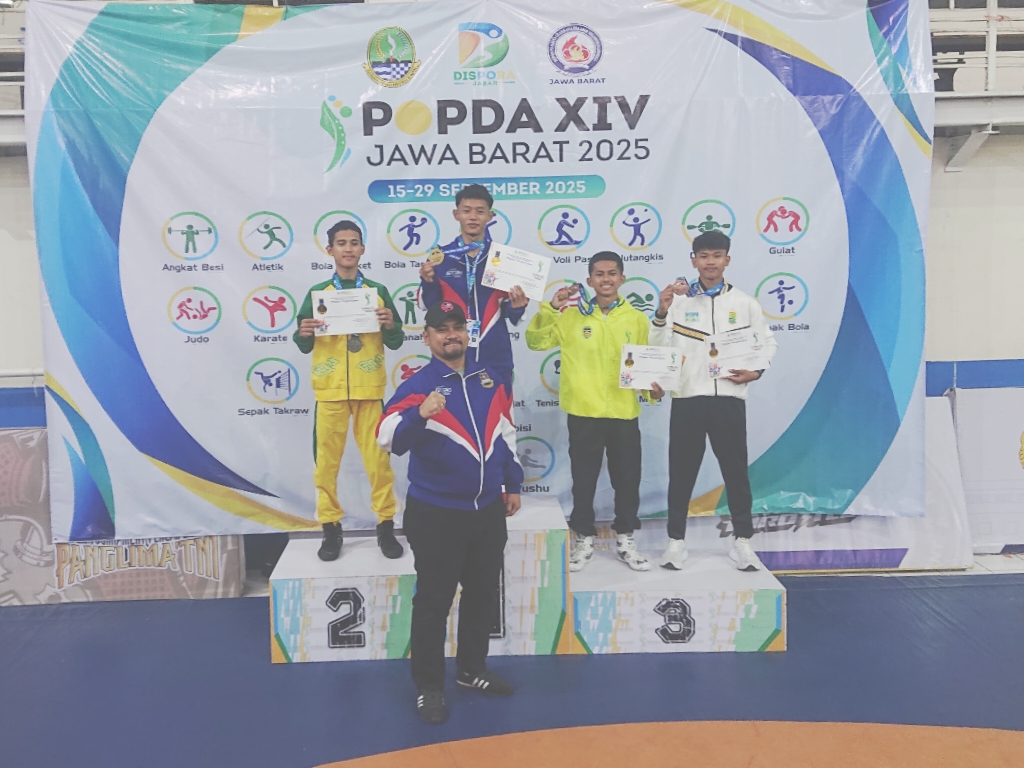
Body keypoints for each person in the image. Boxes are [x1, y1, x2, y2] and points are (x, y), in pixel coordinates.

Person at [377, 301, 522, 725]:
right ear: (427, 338)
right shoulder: (418, 385)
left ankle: (471, 670)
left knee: (481, 595)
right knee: (434, 602)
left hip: (487, 511)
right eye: (442, 329)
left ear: (467, 333)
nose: (451, 334)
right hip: (436, 513)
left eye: (457, 326)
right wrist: (418, 415)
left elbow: (505, 433)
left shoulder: (489, 378)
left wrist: (511, 483)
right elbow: (387, 438)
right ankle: (429, 687)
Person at [649, 230, 778, 571]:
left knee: (736, 474)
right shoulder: (677, 301)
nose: (710, 262)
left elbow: (767, 342)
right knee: (681, 473)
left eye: (717, 255)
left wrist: (756, 371)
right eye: (703, 255)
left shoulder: (745, 303)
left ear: (727, 260)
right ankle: (676, 542)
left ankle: (743, 542)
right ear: (693, 260)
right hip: (688, 399)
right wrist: (661, 312)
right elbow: (657, 346)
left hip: (728, 401)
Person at [525, 252, 662, 573]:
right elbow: (535, 342)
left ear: (622, 278)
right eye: (599, 274)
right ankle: (584, 537)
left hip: (623, 413)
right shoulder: (571, 317)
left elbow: (643, 365)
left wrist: (652, 391)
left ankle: (625, 538)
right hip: (583, 412)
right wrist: (552, 307)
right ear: (589, 280)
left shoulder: (636, 319)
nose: (606, 279)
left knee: (627, 480)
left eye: (612, 273)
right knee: (583, 481)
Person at [293, 220, 405, 562]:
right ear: (330, 250)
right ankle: (330, 527)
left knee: (379, 463)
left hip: (369, 390)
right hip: (330, 391)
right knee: (326, 466)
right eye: (341, 243)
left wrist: (390, 323)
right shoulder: (318, 294)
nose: (348, 248)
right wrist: (304, 332)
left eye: (354, 242)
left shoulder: (377, 291)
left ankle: (385, 524)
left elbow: (396, 339)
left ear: (362, 249)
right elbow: (302, 343)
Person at [419, 184, 528, 390]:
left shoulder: (503, 260)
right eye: (466, 210)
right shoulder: (441, 257)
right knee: (454, 409)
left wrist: (518, 306)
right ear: (456, 214)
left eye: (480, 211)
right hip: (451, 351)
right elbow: (430, 307)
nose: (473, 217)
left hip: (494, 352)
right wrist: (428, 282)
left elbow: (512, 315)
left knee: (498, 409)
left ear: (490, 216)